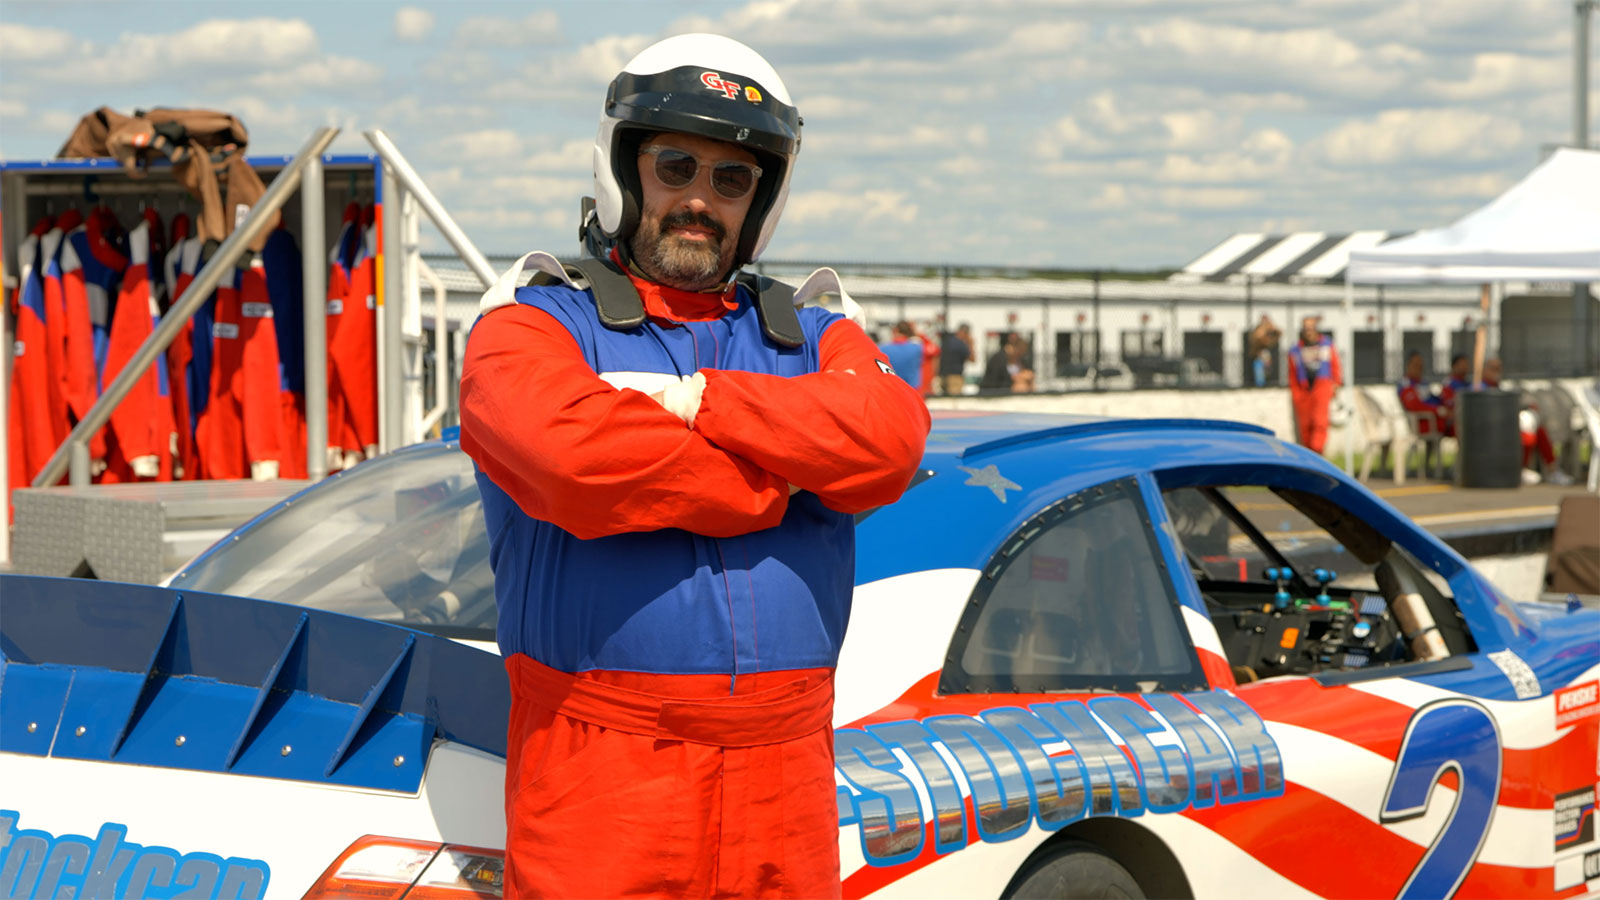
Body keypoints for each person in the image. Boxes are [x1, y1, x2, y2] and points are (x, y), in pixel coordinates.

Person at [458, 34, 931, 899]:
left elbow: (889, 441)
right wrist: (775, 480)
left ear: (761, 200)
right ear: (626, 171)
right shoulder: (530, 324)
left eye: (731, 179)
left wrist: (694, 403)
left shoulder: (814, 329)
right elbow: (567, 458)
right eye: (675, 165)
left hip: (785, 772)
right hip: (602, 774)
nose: (699, 200)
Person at [1482, 358, 1573, 484]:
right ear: (1484, 370)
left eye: (1499, 369)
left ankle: (1551, 470)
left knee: (1535, 427)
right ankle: (1522, 469)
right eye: (1493, 369)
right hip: (1491, 429)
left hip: (1507, 425)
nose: (1497, 372)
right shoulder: (1479, 387)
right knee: (1527, 425)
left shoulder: (1499, 387)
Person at [1287, 315, 1340, 454]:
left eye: (1311, 328)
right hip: (1303, 391)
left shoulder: (1327, 345)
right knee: (1305, 426)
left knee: (1320, 423)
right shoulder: (1295, 349)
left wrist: (1335, 385)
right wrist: (1296, 393)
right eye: (1306, 328)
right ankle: (1308, 455)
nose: (1308, 331)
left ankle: (1317, 452)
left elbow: (1335, 367)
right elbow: (1292, 373)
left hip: (1322, 387)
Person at [1398, 351, 1449, 437]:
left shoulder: (1423, 383)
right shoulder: (1406, 385)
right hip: (1425, 422)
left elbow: (1434, 399)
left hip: (1438, 419)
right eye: (1416, 365)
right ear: (1408, 366)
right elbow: (1415, 406)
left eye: (1421, 366)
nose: (1419, 369)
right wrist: (1438, 410)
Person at [878, 320, 925, 392]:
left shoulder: (882, 348)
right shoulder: (917, 347)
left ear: (894, 331)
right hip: (913, 390)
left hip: (891, 390)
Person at [940, 323, 974, 396]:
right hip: (955, 377)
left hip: (942, 375)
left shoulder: (947, 341)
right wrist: (971, 344)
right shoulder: (961, 345)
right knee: (953, 401)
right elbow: (972, 359)